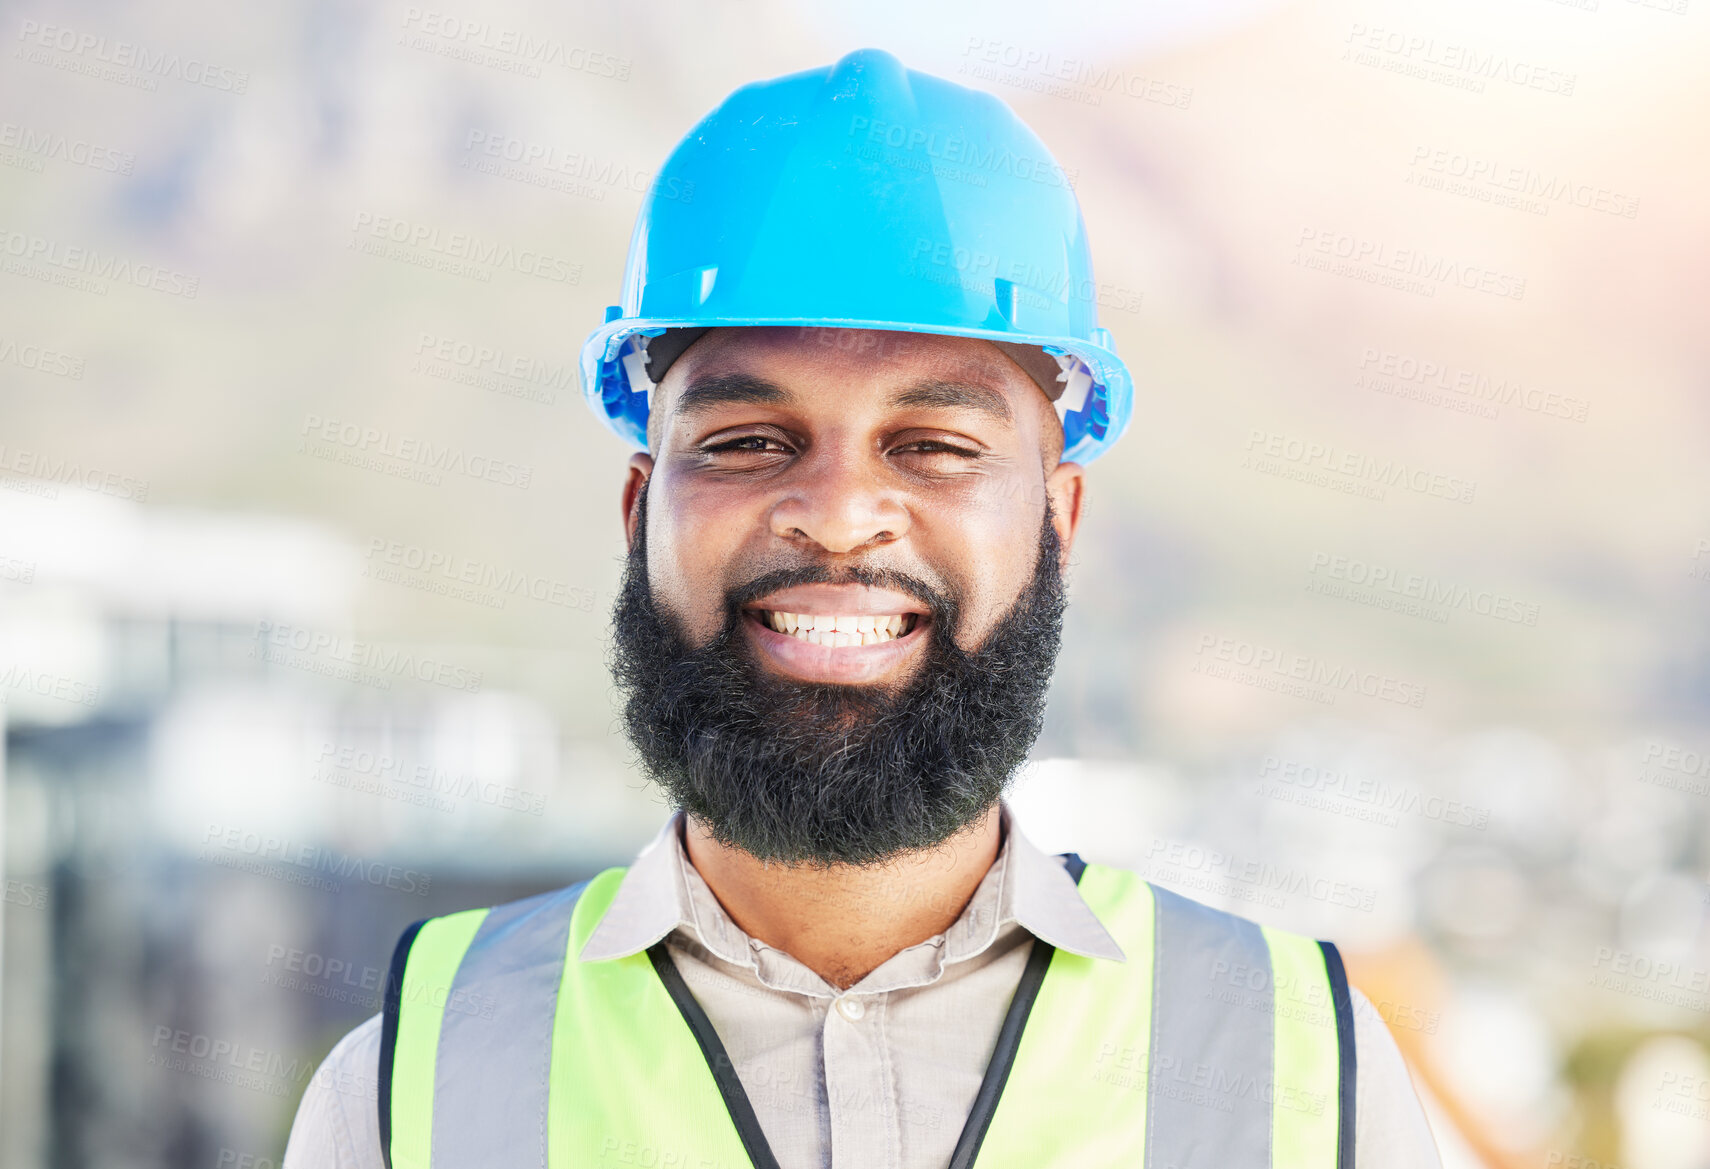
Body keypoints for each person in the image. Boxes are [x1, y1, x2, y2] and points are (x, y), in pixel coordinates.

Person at [284, 47, 1442, 1168]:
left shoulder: (1301, 1072)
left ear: (1060, 518)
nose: (837, 515)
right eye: (746, 440)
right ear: (640, 509)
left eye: (933, 445)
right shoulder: (411, 1089)